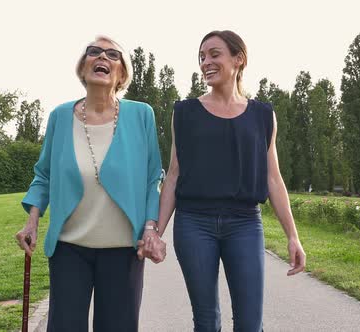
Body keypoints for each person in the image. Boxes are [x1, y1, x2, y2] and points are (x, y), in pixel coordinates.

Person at [155, 30, 306, 332]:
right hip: (194, 223)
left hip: (245, 223)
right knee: (207, 322)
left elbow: (273, 179)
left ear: (238, 59)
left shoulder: (263, 115)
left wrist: (293, 236)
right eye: (201, 57)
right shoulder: (184, 113)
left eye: (214, 54)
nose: (205, 62)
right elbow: (173, 175)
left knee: (250, 324)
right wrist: (156, 232)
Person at [15, 35, 166, 332]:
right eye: (94, 52)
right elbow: (43, 174)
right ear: (82, 66)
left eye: (112, 55)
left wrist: (151, 228)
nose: (102, 58)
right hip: (69, 247)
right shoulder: (60, 116)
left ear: (121, 72)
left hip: (124, 249)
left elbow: (153, 177)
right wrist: (32, 221)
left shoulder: (141, 115)